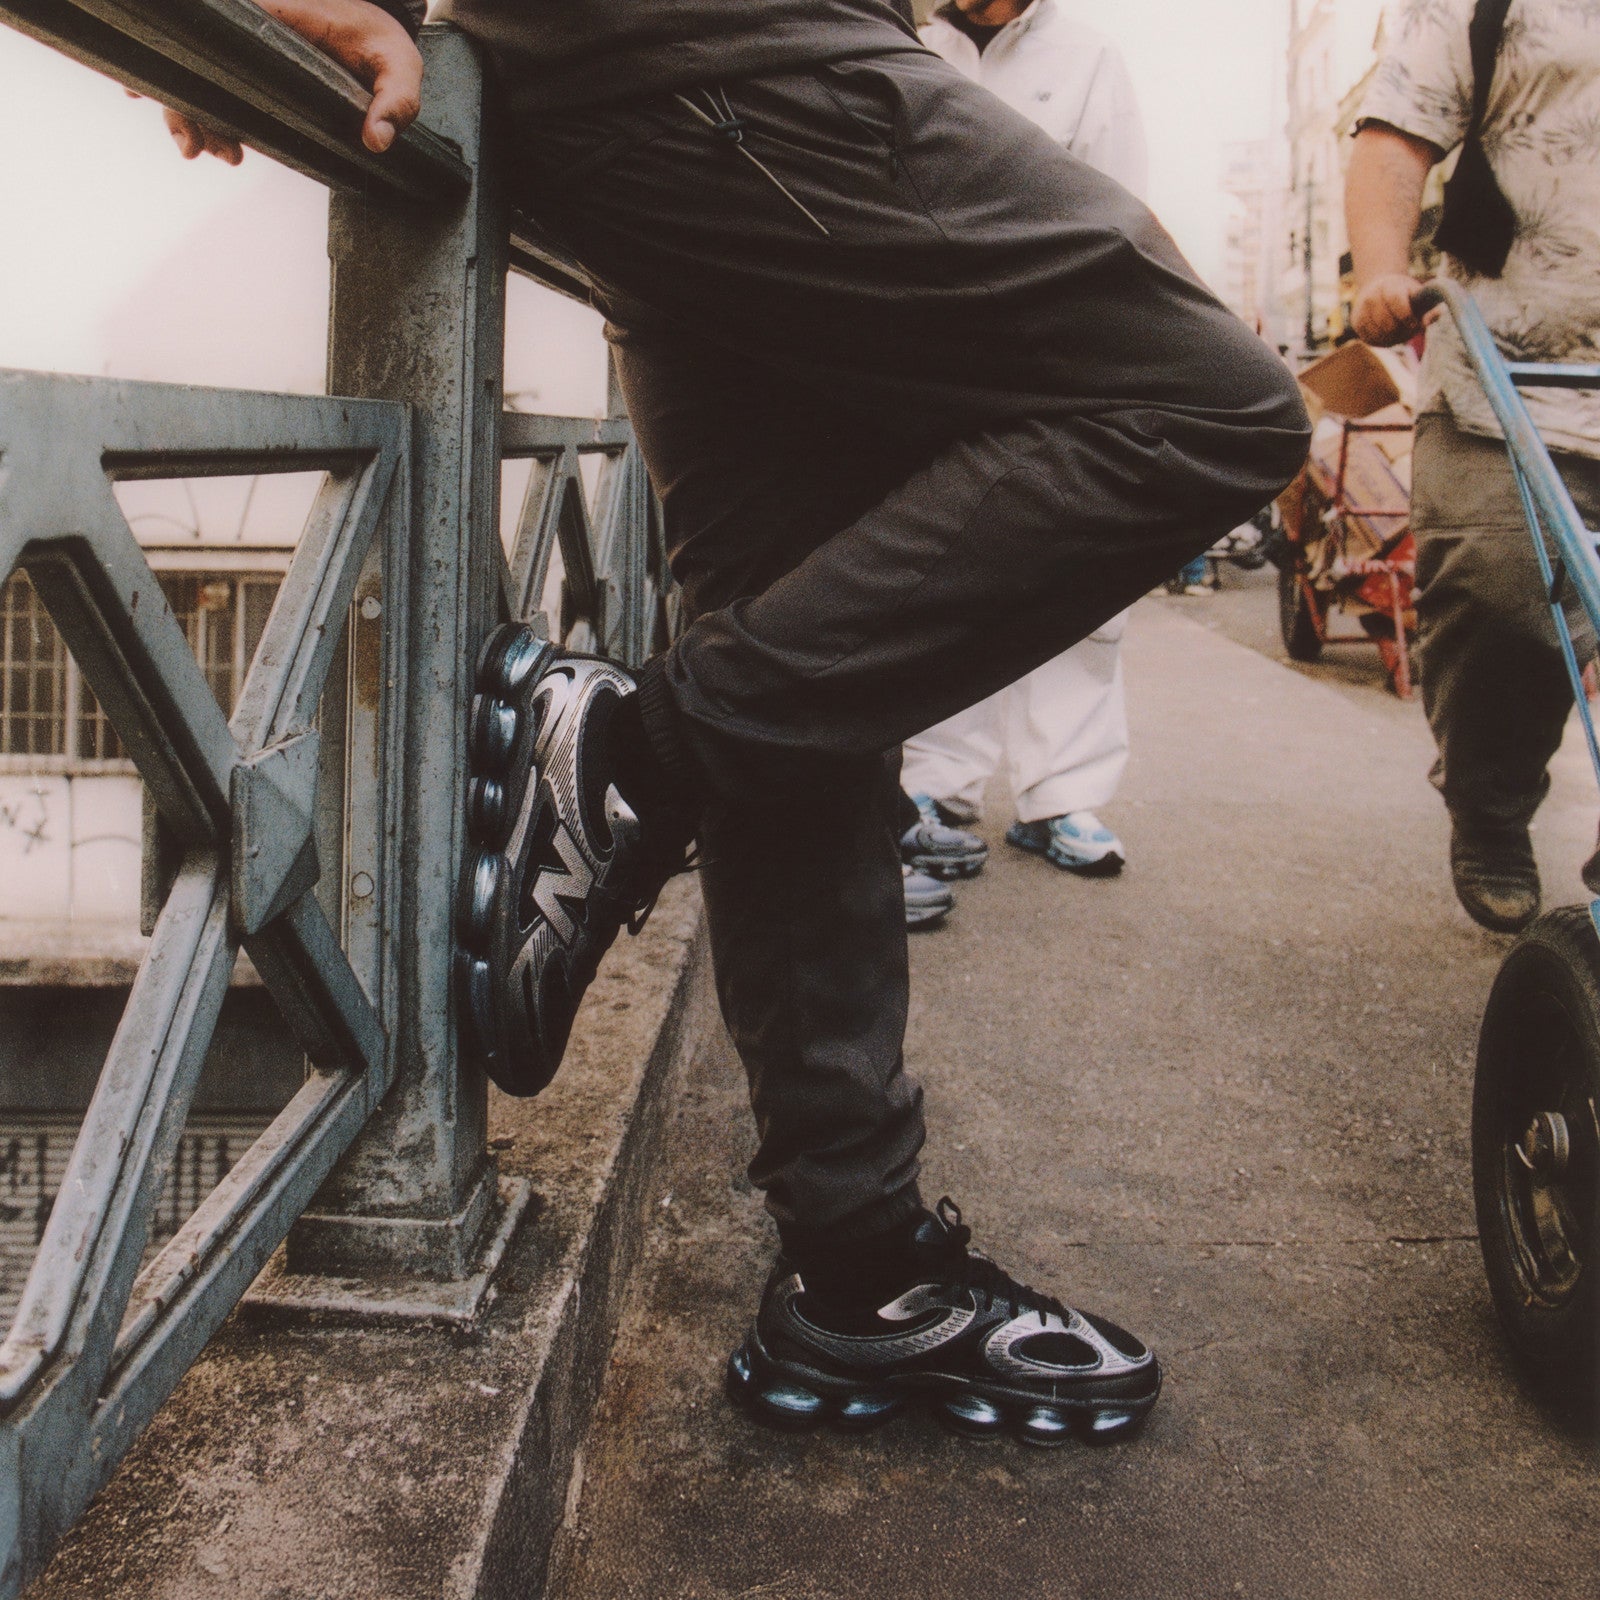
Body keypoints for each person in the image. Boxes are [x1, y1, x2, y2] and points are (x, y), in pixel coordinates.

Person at [170, 0, 1308, 1444]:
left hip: (676, 111)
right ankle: (630, 764)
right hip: (735, 62)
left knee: (804, 649)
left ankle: (860, 1276)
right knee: (1206, 406)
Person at [1348, 0, 1600, 933]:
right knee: (1497, 597)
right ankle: (1490, 803)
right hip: (1508, 380)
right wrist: (1381, 270)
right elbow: (1395, 133)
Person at [899, 0, 1147, 878]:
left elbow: (1122, 211)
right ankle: (934, 785)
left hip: (1059, 348)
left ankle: (1063, 795)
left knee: (1078, 574)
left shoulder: (1088, 56)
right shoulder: (901, 37)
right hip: (924, 347)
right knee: (938, 561)